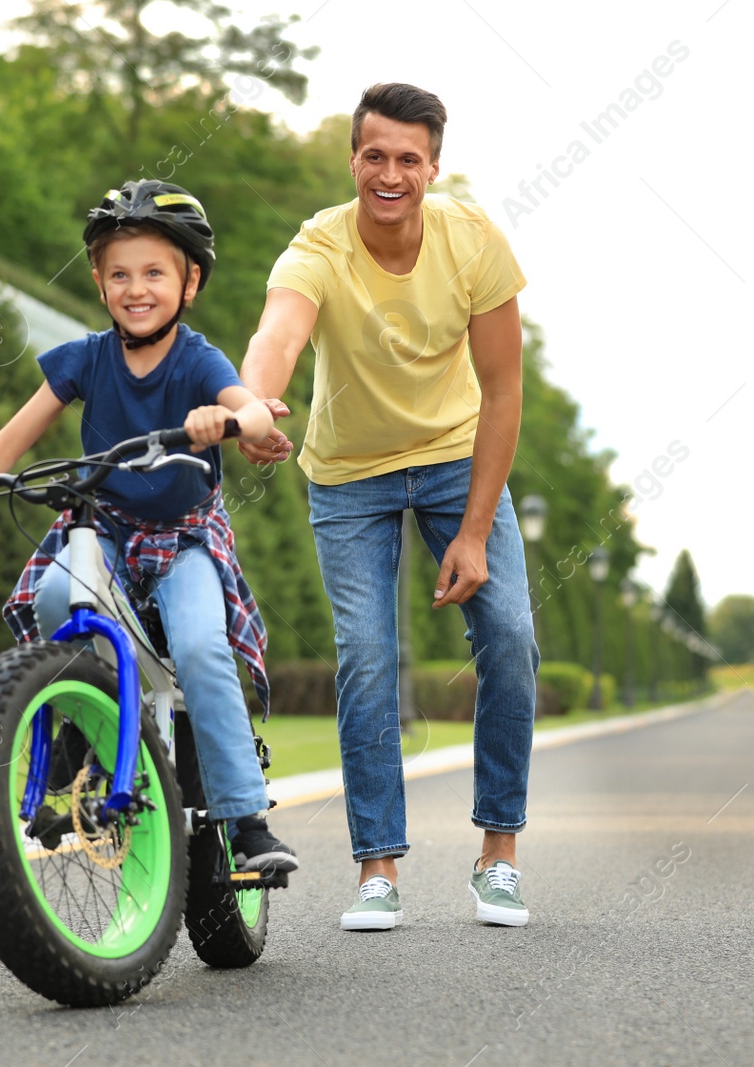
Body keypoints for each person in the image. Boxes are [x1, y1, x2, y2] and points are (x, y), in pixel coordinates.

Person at [0, 179, 298, 873]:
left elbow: (252, 407)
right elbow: (10, 439)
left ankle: (246, 820)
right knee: (54, 602)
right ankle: (84, 724)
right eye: (119, 273)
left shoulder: (196, 359)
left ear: (190, 284)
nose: (136, 287)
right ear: (98, 283)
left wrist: (233, 419)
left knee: (200, 647)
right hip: (107, 530)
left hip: (182, 536)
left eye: (155, 272)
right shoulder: (87, 358)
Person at [237, 83, 536, 928]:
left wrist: (475, 530)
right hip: (349, 473)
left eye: (410, 158)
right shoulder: (318, 246)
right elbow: (279, 334)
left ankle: (499, 853)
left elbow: (505, 387)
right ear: (354, 160)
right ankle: (378, 869)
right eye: (376, 156)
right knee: (367, 655)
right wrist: (256, 403)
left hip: (453, 458)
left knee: (510, 636)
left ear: (433, 166)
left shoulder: (471, 238)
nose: (391, 174)